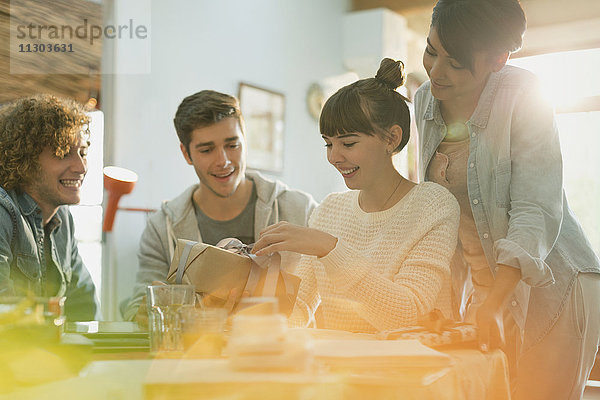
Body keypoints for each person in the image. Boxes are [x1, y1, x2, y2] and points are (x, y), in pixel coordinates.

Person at [414, 0, 600, 398]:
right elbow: (439, 211)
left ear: (498, 59)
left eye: (456, 63)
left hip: (554, 288)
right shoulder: (424, 101)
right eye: (431, 50)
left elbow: (535, 209)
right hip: (488, 294)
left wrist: (496, 301)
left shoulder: (525, 95)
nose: (435, 72)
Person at [252, 59, 460, 332]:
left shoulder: (433, 206)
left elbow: (408, 314)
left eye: (348, 143)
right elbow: (300, 307)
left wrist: (330, 248)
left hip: (411, 369)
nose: (334, 157)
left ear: (391, 139)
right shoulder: (330, 209)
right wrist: (254, 319)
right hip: (341, 369)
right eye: (329, 143)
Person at [123, 90, 317, 322]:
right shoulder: (161, 227)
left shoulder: (299, 209)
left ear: (245, 140)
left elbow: (332, 294)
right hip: (196, 355)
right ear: (186, 153)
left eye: (232, 145)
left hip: (281, 352)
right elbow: (137, 308)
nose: (223, 161)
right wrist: (155, 306)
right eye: (206, 150)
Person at [0, 95, 100, 321]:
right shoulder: (2, 213)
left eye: (83, 153)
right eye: (63, 153)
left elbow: (84, 306)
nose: (81, 167)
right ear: (25, 160)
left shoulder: (62, 217)